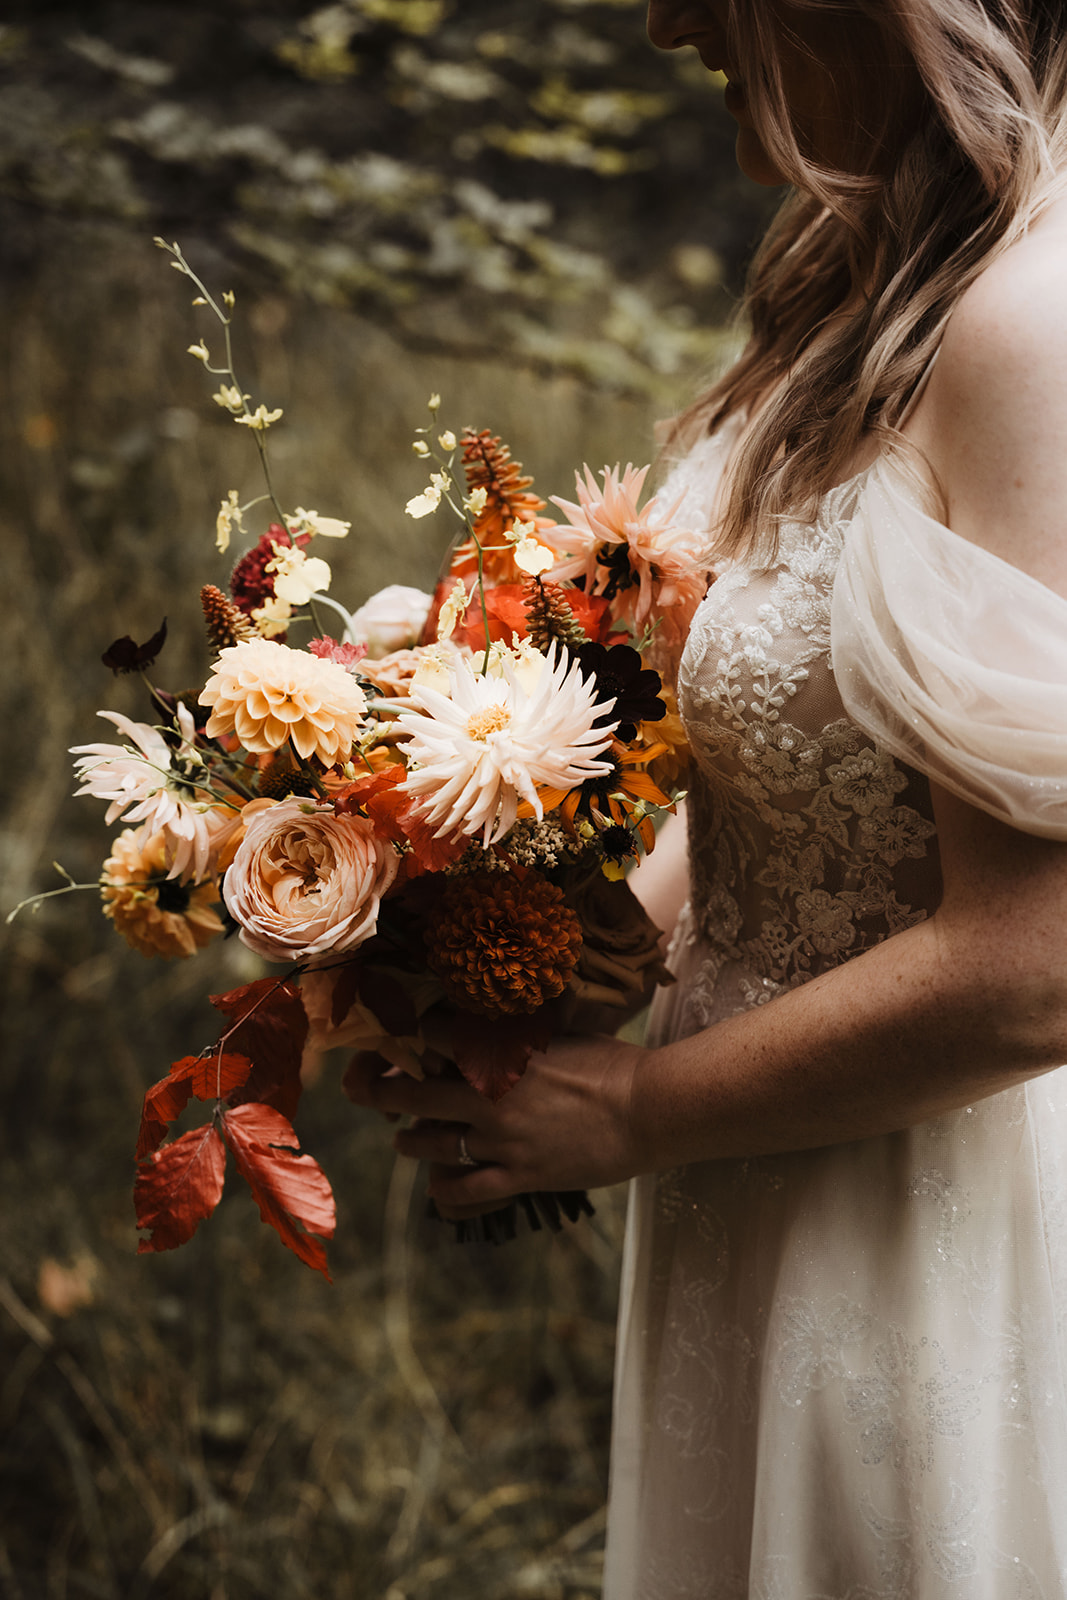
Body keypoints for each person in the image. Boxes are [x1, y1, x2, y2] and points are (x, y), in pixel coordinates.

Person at [346, 1, 1067, 1592]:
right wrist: (534, 955)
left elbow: (1038, 969)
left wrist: (631, 1110)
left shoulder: (1034, 327)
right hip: (750, 1188)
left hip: (916, 1227)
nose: (662, 17)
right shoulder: (843, 278)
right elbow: (782, 759)